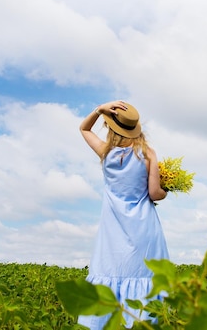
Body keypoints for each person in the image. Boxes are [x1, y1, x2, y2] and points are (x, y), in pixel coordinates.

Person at [78, 100, 169, 329]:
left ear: (111, 127)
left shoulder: (105, 153)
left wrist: (99, 109)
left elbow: (84, 129)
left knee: (109, 271)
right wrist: (167, 190)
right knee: (144, 276)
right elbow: (154, 193)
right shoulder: (148, 154)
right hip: (143, 228)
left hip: (113, 228)